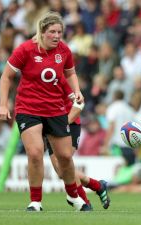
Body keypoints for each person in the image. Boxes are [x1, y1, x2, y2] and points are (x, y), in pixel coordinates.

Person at [0, 12, 86, 211]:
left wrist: (77, 91)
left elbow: (70, 73)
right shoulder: (25, 50)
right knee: (35, 153)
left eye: (60, 32)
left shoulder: (64, 50)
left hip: (55, 109)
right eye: (52, 32)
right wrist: (3, 104)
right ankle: (36, 201)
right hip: (28, 108)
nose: (56, 36)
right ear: (42, 32)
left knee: (64, 156)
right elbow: (6, 77)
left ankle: (74, 196)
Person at [45, 77, 110, 210]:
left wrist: (62, 125)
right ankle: (98, 186)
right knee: (61, 171)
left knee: (65, 163)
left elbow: (79, 103)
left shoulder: (61, 78)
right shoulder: (40, 79)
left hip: (70, 123)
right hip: (51, 125)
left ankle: (85, 202)